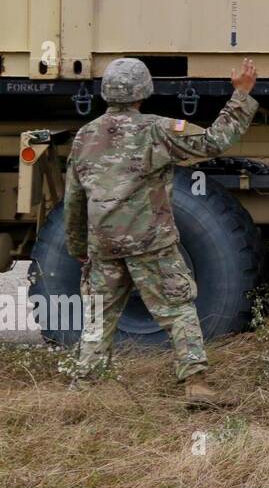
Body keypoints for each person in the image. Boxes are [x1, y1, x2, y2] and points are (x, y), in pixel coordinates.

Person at [64, 57, 258, 405]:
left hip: (104, 246)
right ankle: (196, 383)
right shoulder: (158, 129)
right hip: (150, 243)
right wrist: (240, 94)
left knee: (98, 318)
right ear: (144, 92)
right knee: (178, 308)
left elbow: (74, 199)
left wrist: (79, 245)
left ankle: (83, 391)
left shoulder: (84, 136)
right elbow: (214, 141)